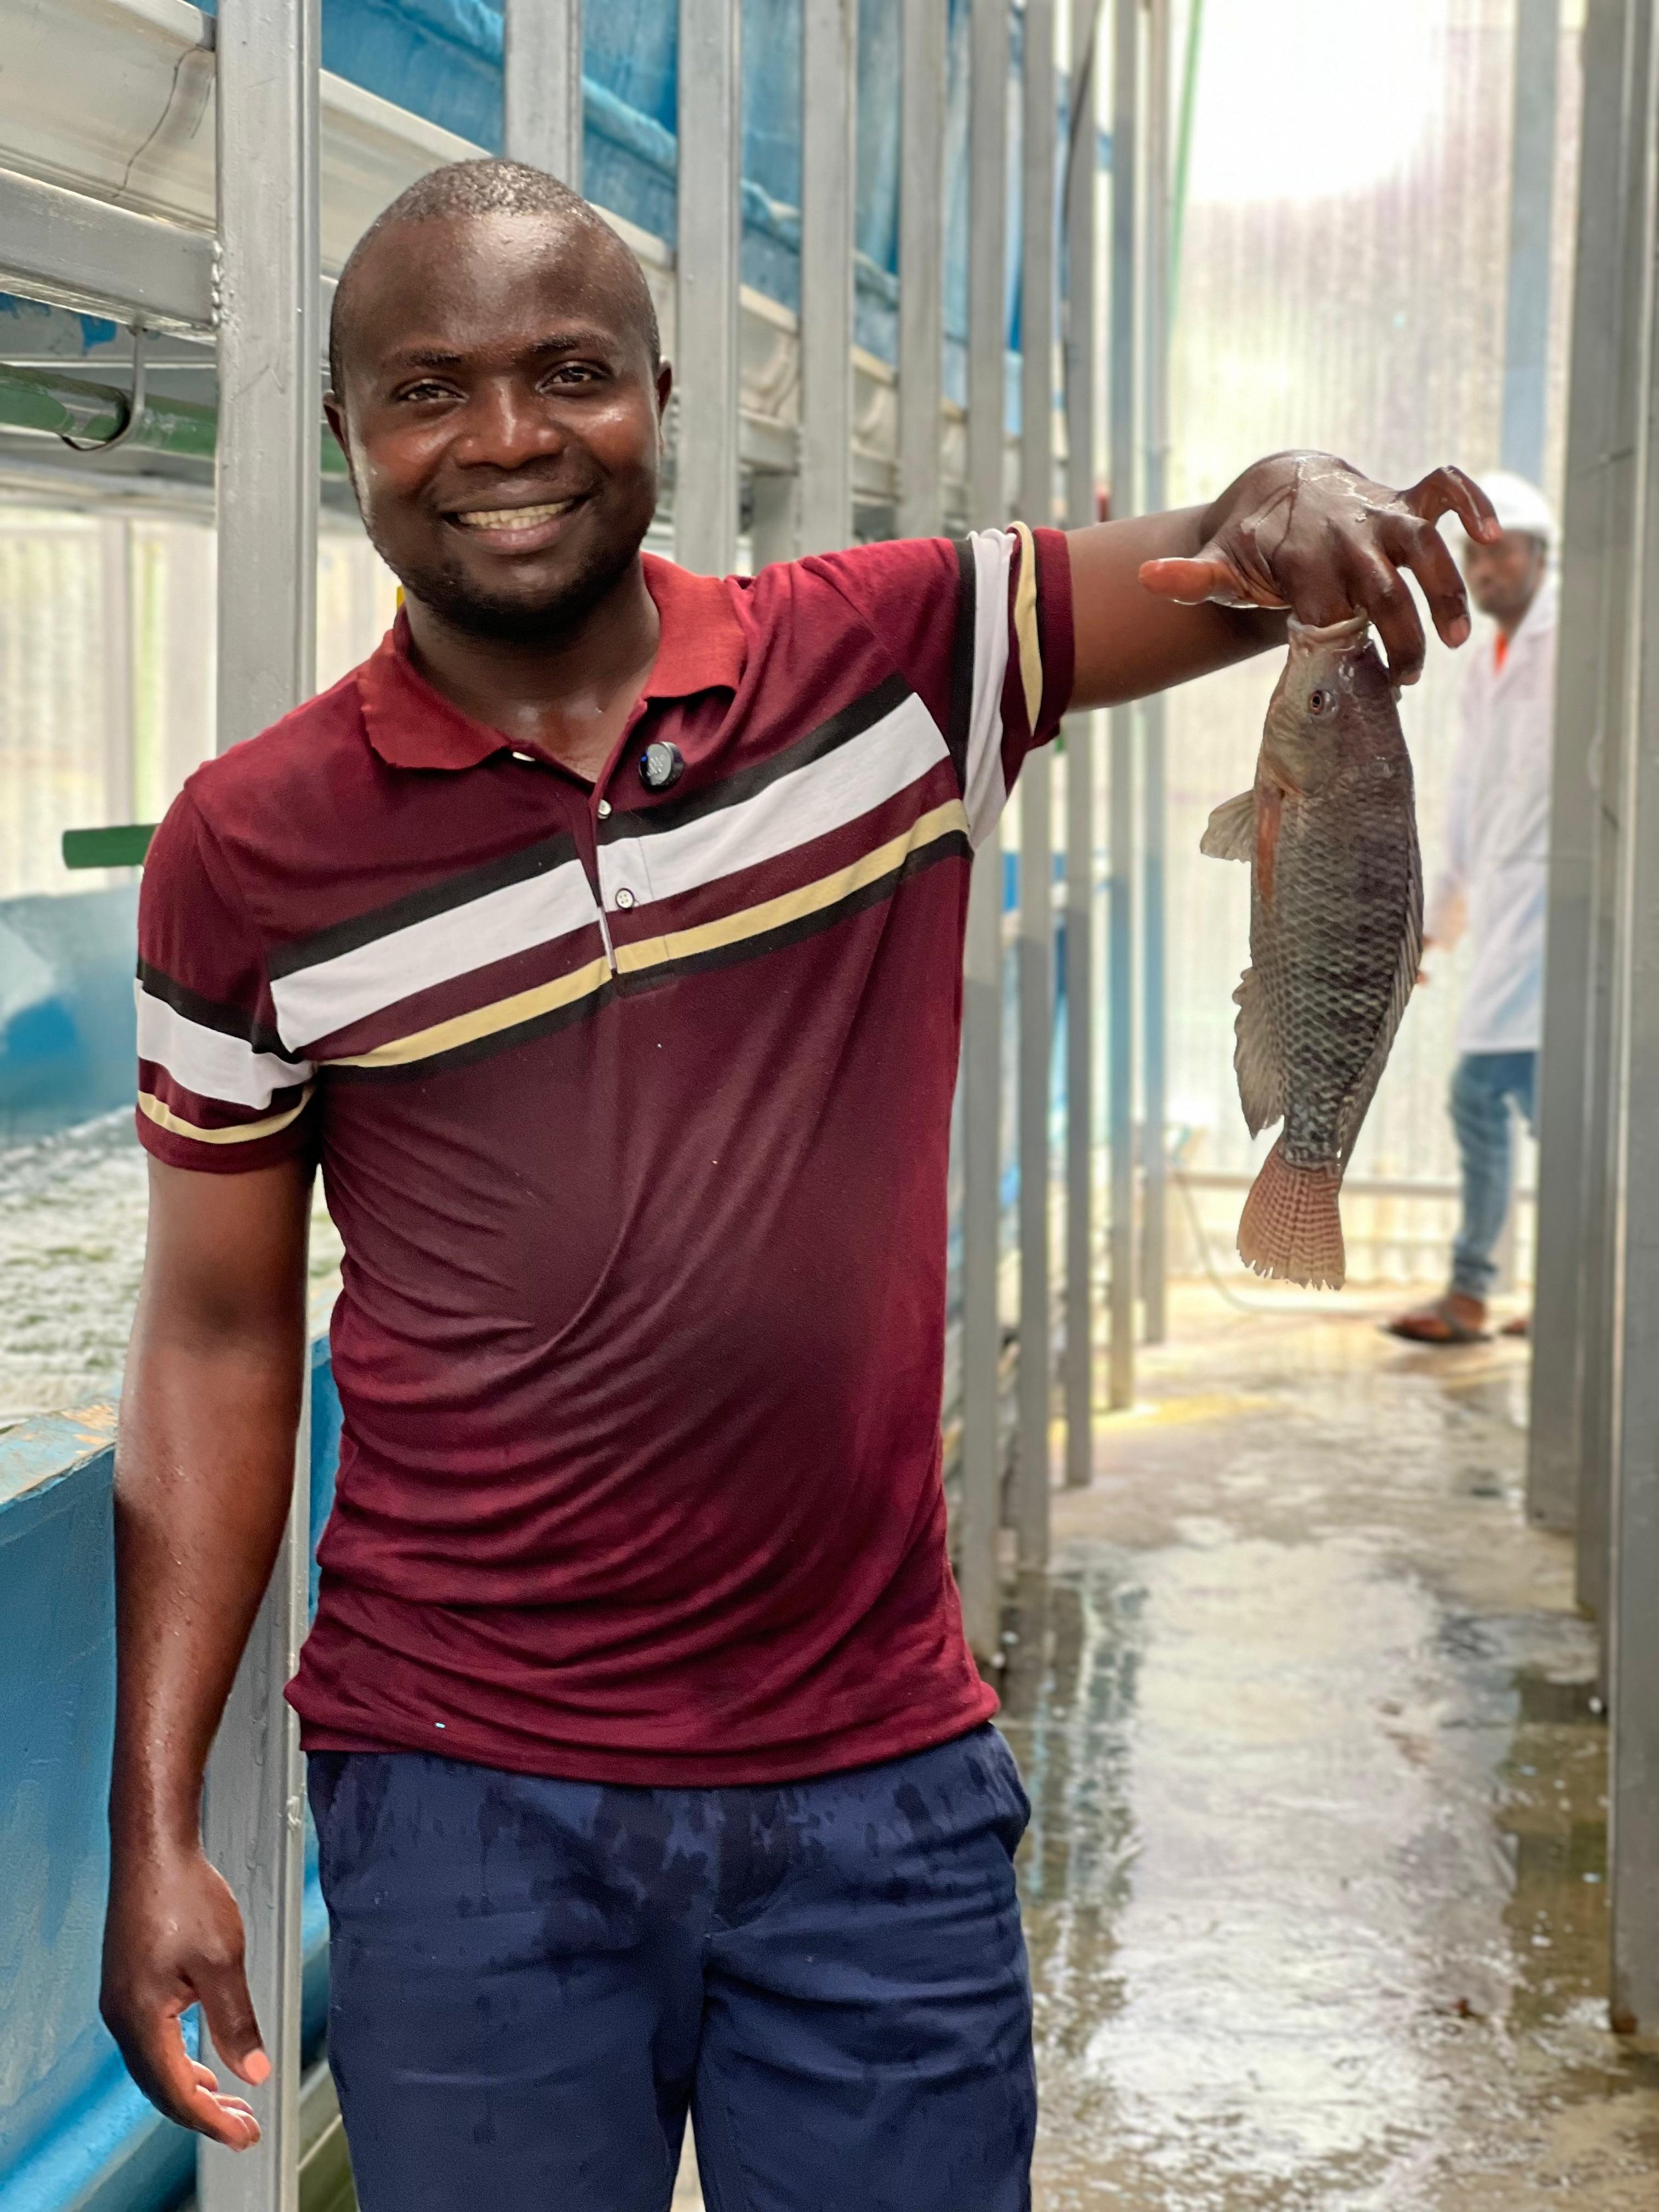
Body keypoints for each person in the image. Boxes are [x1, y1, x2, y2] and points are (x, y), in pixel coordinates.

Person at [98, 159, 1495, 2212]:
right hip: (463, 1800)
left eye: (568, 371)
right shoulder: (247, 850)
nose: (502, 439)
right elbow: (215, 1331)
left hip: (873, 1790)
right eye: (427, 387)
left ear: (659, 393)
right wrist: (154, 1826)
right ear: (346, 436)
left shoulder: (891, 662)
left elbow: (1220, 552)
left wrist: (1295, 487)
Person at [1388, 471, 1556, 1347]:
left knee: (1488, 1092)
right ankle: (1553, 1286)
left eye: (1501, 554)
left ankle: (1481, 1289)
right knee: (1530, 1104)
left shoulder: (1574, 640)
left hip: (1563, 914)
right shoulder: (1485, 663)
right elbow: (1467, 809)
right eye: (1473, 558)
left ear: (1539, 554)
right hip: (1507, 908)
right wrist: (1433, 924)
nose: (1484, 572)